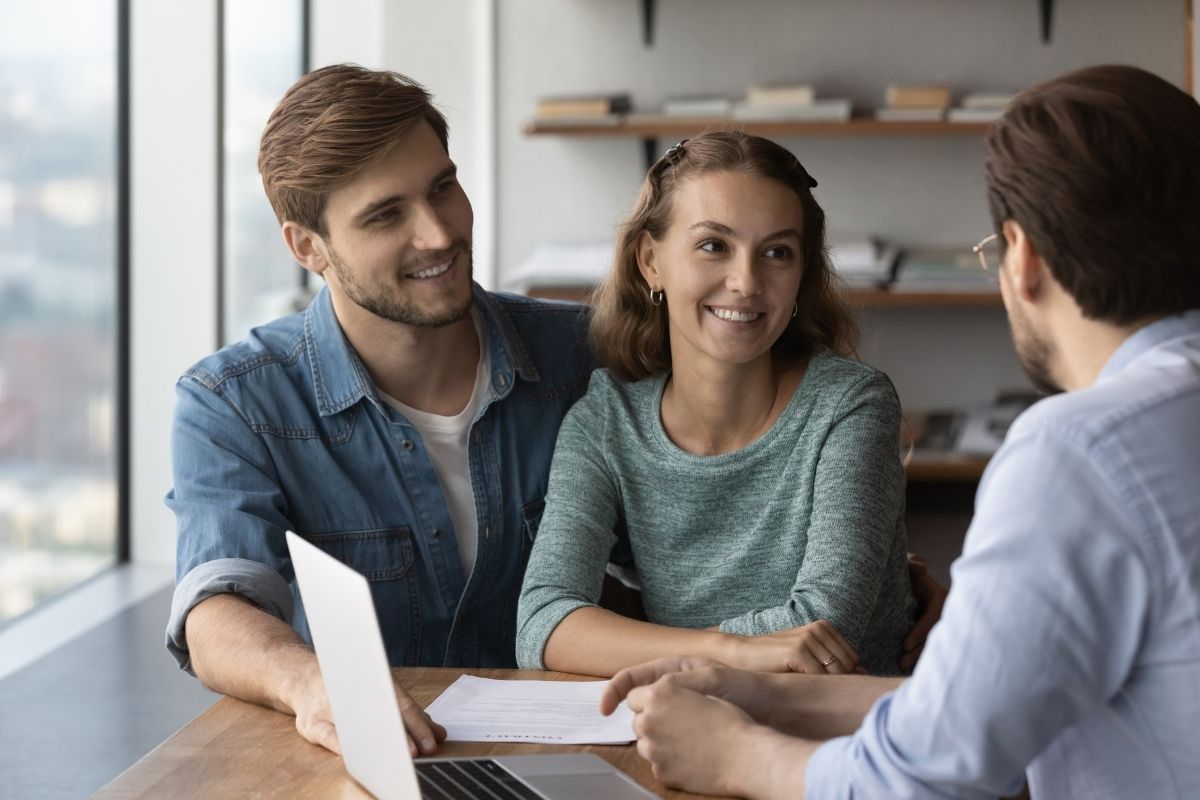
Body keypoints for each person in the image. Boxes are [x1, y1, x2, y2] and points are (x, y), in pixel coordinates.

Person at [600, 64, 1200, 799]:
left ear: (1024, 258)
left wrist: (735, 755)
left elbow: (928, 775)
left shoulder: (1076, 452)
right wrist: (759, 692)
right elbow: (966, 712)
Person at [164, 64, 594, 756]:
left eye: (443, 188)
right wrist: (312, 684)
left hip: (579, 755)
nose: (438, 234)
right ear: (308, 247)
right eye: (386, 214)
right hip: (377, 762)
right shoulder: (232, 402)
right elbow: (217, 607)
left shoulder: (582, 357)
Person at [516, 131, 916, 679]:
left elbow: (825, 631)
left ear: (802, 275)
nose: (746, 281)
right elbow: (545, 623)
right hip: (678, 725)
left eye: (777, 252)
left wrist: (650, 649)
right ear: (651, 262)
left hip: (838, 738)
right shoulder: (606, 421)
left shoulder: (850, 404)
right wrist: (727, 651)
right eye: (714, 246)